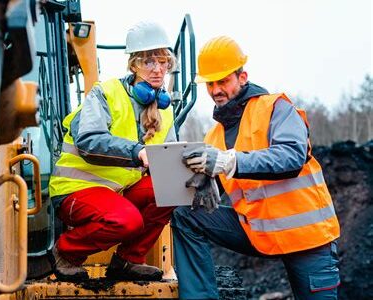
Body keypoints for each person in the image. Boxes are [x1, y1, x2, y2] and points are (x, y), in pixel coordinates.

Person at [171, 36, 341, 299]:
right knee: (185, 215)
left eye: (223, 80)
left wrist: (230, 162)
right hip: (258, 232)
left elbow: (291, 157)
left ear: (242, 77)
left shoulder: (276, 108)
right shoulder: (213, 137)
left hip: (307, 238)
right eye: (211, 83)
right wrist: (201, 183)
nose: (216, 89)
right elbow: (218, 184)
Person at [48, 21, 177, 282]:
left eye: (163, 62)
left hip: (117, 193)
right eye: (149, 62)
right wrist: (136, 151)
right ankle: (66, 252)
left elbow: (169, 160)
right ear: (134, 65)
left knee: (170, 186)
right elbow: (88, 140)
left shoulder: (165, 110)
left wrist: (195, 173)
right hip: (76, 189)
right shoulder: (105, 94)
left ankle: (128, 261)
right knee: (126, 220)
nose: (157, 69)